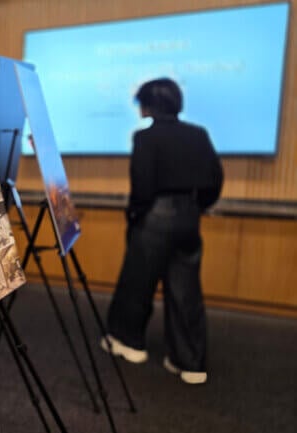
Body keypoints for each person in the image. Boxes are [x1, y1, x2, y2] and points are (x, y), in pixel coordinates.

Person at [103, 78, 223, 385]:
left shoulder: (145, 138)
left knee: (137, 284)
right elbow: (215, 180)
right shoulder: (198, 134)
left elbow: (142, 187)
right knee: (186, 291)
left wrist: (135, 216)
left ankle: (129, 344)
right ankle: (190, 362)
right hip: (189, 217)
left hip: (154, 217)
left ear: (149, 105)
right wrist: (197, 207)